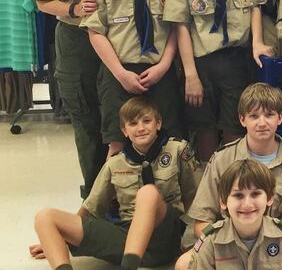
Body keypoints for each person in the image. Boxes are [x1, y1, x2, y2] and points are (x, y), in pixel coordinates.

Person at [30, 97, 200, 270]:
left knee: (148, 193)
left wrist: (190, 240)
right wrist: (61, 238)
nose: (141, 128)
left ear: (158, 123)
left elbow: (194, 195)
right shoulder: (115, 163)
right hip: (126, 236)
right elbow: (91, 208)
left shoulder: (178, 150)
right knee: (45, 217)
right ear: (124, 130)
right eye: (133, 123)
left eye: (146, 121)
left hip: (163, 236)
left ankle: (129, 267)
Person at [163, 0, 266, 160]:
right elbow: (181, 24)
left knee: (235, 126)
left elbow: (255, 5)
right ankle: (209, 184)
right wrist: (190, 75)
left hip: (236, 59)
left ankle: (231, 182)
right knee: (204, 129)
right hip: (201, 62)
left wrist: (257, 42)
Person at [34, 0, 114, 198]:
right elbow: (42, 0)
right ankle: (94, 199)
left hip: (117, 41)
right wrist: (73, 7)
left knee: (119, 120)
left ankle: (123, 195)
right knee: (88, 123)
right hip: (78, 43)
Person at [82, 0, 182, 158]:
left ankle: (165, 196)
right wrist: (120, 74)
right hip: (118, 71)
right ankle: (117, 197)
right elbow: (95, 31)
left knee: (168, 141)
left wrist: (164, 66)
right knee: (116, 143)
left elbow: (175, 25)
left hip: (159, 71)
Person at [176, 82, 282, 269]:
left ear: (280, 117)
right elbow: (202, 222)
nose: (262, 122)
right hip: (225, 245)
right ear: (242, 119)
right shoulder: (222, 159)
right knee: (184, 264)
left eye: (269, 115)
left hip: (274, 247)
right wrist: (228, 245)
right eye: (254, 116)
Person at [189, 159, 282, 269]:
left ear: (270, 198)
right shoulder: (210, 241)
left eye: (255, 194)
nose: (247, 204)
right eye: (238, 195)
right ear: (223, 201)